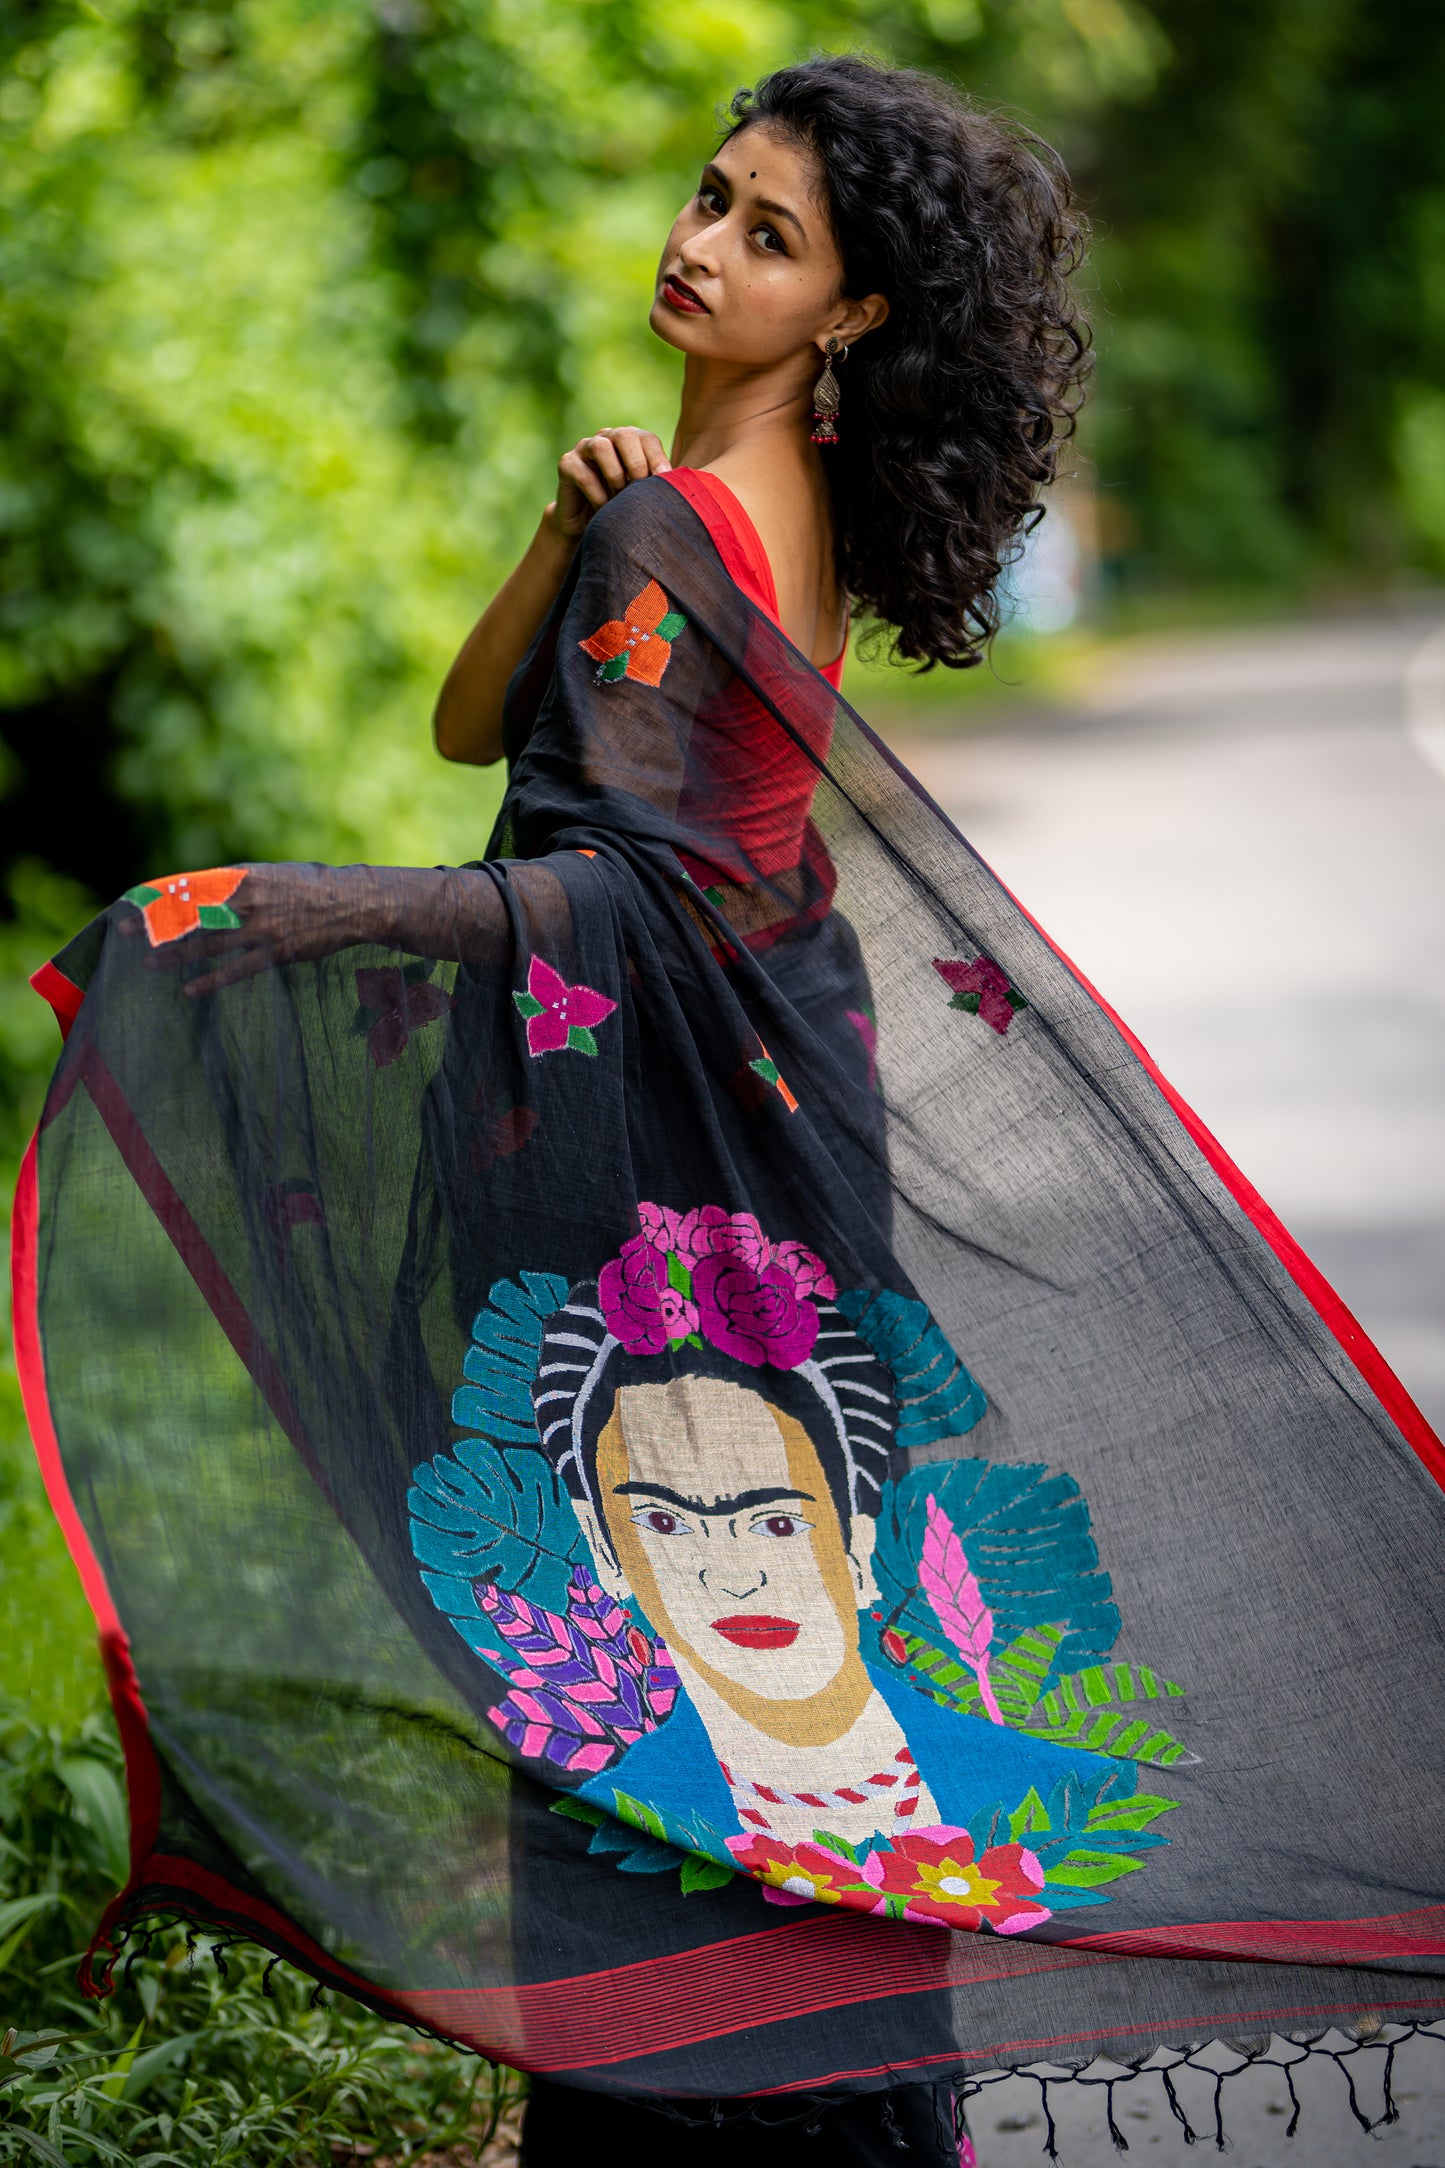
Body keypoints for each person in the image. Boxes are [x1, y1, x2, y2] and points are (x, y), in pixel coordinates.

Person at [18, 49, 1445, 2168]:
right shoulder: (746, 509)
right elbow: (477, 731)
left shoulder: (685, 524)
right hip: (766, 1144)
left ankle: (687, 2122)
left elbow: (623, 896)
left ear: (851, 311)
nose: (702, 247)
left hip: (643, 1174)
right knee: (786, 1663)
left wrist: (284, 917)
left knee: (637, 1650)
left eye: (771, 239)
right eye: (711, 196)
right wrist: (556, 525)